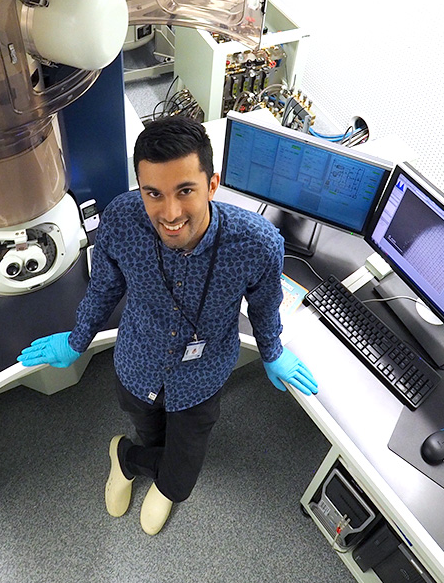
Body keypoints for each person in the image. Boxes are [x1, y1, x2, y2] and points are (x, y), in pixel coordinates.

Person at [17, 115, 317, 535]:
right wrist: (77, 339)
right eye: (153, 193)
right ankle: (142, 456)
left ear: (212, 185)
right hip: (138, 364)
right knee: (150, 432)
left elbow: (266, 306)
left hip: (202, 375)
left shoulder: (256, 243)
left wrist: (272, 351)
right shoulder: (121, 219)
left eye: (186, 191)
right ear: (139, 187)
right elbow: (104, 287)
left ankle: (128, 461)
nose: (170, 212)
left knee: (181, 476)